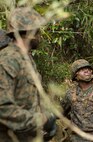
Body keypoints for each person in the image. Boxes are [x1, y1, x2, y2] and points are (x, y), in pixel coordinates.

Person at [0, 7, 56, 142]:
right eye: (37, 30)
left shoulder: (26, 59)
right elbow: (2, 108)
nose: (40, 35)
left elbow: (28, 99)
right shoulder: (8, 59)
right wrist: (40, 120)